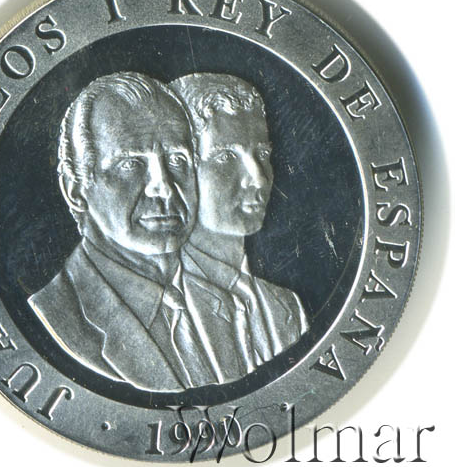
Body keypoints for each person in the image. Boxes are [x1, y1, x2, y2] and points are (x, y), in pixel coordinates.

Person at [28, 72, 237, 392]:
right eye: (131, 164)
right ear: (76, 191)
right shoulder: (56, 312)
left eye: (177, 160)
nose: (163, 187)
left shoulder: (227, 306)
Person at [170, 73, 308, 373]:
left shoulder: (287, 306)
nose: (259, 178)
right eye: (226, 157)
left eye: (262, 153)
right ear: (179, 169)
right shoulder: (162, 310)